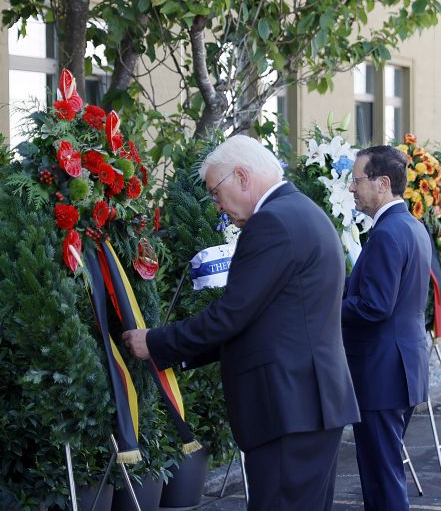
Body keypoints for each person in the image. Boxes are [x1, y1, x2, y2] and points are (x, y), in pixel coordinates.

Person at [123, 136, 360, 511]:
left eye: (216, 192)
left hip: (288, 407)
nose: (217, 205)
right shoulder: (303, 212)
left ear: (242, 177)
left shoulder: (272, 222)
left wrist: (154, 342)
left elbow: (231, 315)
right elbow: (262, 319)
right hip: (307, 404)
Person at [342, 146, 432, 511]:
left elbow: (375, 306)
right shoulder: (411, 226)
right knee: (384, 471)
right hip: (399, 367)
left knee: (382, 476)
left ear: (382, 183)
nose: (351, 188)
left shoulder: (388, 232)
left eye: (357, 180)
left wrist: (320, 308)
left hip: (381, 372)